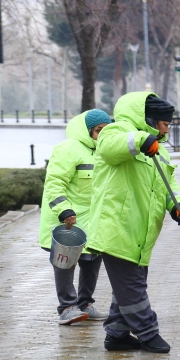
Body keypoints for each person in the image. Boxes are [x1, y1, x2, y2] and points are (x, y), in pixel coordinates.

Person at [85, 92, 180, 354]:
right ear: (151, 121)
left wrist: (179, 205)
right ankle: (147, 331)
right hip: (116, 226)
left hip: (139, 229)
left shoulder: (159, 148)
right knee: (132, 285)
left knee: (130, 282)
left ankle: (118, 333)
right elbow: (110, 148)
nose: (168, 127)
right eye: (165, 123)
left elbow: (167, 183)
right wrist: (143, 140)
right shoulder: (115, 130)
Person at [38, 108, 111, 325]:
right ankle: (67, 307)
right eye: (99, 130)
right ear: (88, 130)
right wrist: (64, 211)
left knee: (92, 261)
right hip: (68, 219)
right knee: (65, 263)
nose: (102, 135)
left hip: (94, 219)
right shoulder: (67, 149)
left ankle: (85, 304)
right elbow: (54, 183)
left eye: (107, 131)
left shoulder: (106, 152)